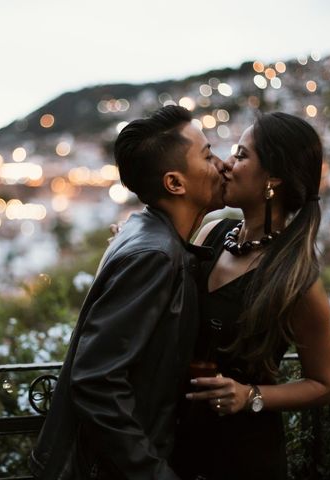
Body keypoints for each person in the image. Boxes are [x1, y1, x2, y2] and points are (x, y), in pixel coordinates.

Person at [29, 105, 227, 479]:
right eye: (207, 155)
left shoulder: (152, 238)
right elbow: (95, 379)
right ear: (175, 183)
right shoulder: (154, 255)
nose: (221, 164)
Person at [171, 112, 330, 480]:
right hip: (177, 443)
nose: (227, 164)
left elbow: (325, 384)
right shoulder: (212, 233)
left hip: (244, 457)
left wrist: (250, 396)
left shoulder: (296, 278)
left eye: (241, 155)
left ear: (272, 179)